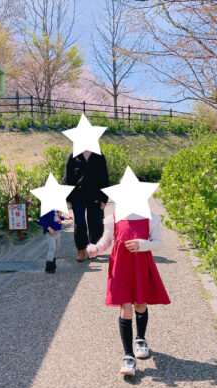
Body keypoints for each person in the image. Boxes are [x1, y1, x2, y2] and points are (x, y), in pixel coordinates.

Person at [87, 212, 170, 376]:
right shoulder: (114, 218)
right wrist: (97, 248)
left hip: (141, 266)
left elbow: (158, 243)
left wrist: (142, 244)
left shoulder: (149, 218)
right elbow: (107, 239)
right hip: (120, 267)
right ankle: (128, 356)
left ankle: (140, 338)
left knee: (140, 304)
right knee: (125, 309)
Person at [63, 150, 109, 262]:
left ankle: (93, 248)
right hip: (77, 195)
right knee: (79, 222)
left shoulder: (99, 155)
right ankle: (81, 250)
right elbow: (67, 177)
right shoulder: (73, 155)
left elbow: (104, 176)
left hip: (95, 195)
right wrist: (68, 198)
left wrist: (103, 198)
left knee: (96, 222)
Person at [39, 209, 71, 273]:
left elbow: (58, 217)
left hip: (58, 232)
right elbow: (41, 220)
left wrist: (66, 218)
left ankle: (53, 262)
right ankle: (49, 266)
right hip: (50, 233)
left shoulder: (56, 210)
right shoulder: (47, 210)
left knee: (57, 248)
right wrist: (49, 228)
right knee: (52, 248)